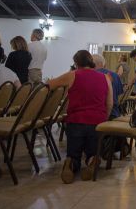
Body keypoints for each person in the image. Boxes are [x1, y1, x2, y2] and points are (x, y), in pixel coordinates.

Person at [48, 50, 113, 184]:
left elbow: (50, 84)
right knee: (92, 151)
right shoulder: (105, 78)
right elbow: (109, 103)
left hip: (76, 121)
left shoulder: (73, 75)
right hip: (97, 122)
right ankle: (93, 160)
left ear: (76, 63)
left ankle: (71, 163)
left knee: (74, 152)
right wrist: (104, 120)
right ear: (91, 62)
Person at [92, 54, 123, 119]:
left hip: (98, 114)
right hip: (115, 113)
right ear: (103, 63)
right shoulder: (115, 75)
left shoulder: (91, 76)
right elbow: (119, 96)